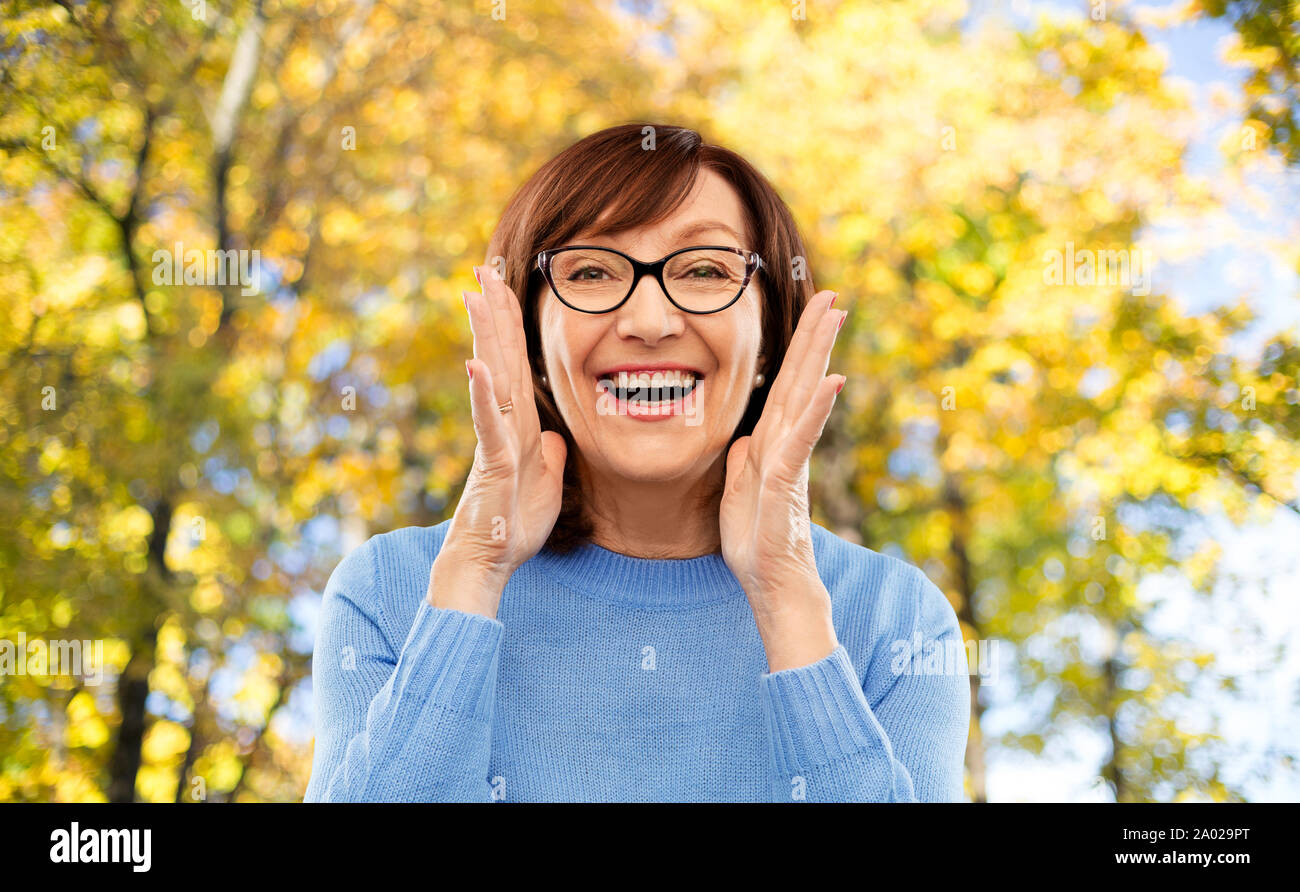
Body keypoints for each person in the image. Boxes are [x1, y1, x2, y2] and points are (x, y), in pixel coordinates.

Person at [304, 123, 969, 802]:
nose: (649, 320)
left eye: (705, 270)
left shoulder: (897, 621)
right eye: (591, 271)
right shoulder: (390, 592)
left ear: (770, 336)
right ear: (531, 338)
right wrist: (475, 570)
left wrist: (785, 598)